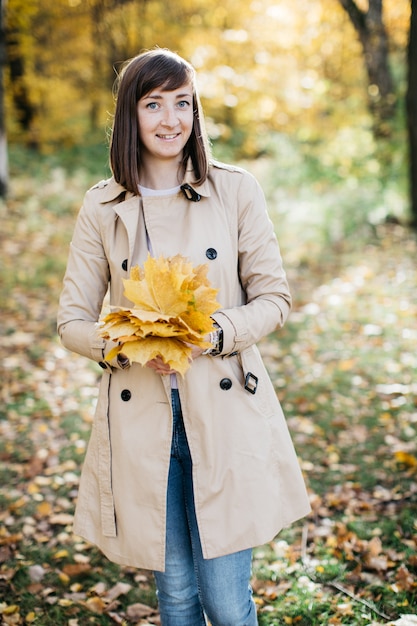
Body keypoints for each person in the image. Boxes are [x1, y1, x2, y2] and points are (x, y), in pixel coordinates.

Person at [57, 48, 311, 626]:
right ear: (131, 115)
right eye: (154, 104)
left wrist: (215, 333)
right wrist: (129, 343)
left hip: (222, 412)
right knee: (174, 598)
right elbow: (71, 319)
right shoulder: (102, 207)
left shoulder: (235, 191)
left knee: (225, 601)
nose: (171, 119)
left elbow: (275, 297)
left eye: (183, 103)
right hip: (142, 418)